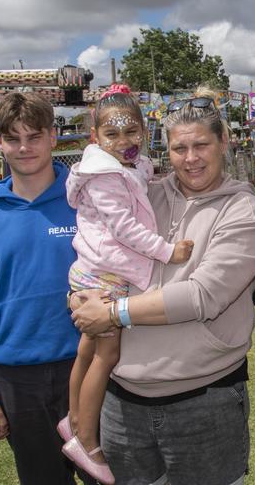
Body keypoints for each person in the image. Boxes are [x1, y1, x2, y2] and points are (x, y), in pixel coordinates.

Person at [69, 87, 255, 485]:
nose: (191, 159)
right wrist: (79, 294)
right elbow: (97, 248)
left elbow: (202, 296)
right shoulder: (144, 193)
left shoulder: (242, 210)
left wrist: (111, 312)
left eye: (201, 145)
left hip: (203, 402)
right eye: (180, 148)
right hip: (122, 401)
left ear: (224, 142)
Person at [0, 92, 95, 485]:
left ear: (53, 137)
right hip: (18, 380)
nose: (24, 147)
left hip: (89, 366)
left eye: (34, 136)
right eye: (13, 138)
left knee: (110, 475)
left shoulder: (87, 205)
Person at [58, 85, 194, 484]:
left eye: (131, 131)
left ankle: (72, 420)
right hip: (105, 275)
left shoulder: (125, 168)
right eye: (112, 134)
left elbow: (142, 185)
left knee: (87, 349)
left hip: (96, 269)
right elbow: (125, 227)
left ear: (143, 129)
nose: (124, 141)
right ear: (95, 137)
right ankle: (86, 440)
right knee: (107, 355)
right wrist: (167, 252)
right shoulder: (103, 176)